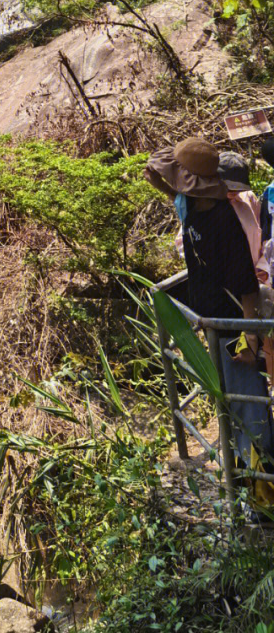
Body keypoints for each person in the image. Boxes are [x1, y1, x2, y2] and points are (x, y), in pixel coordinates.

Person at [146, 137, 274, 465]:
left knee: (247, 401)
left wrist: (248, 335)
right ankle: (246, 468)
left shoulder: (223, 220)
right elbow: (166, 184)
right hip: (214, 322)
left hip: (231, 324)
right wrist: (161, 179)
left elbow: (245, 283)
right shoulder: (191, 209)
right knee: (232, 397)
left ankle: (260, 485)